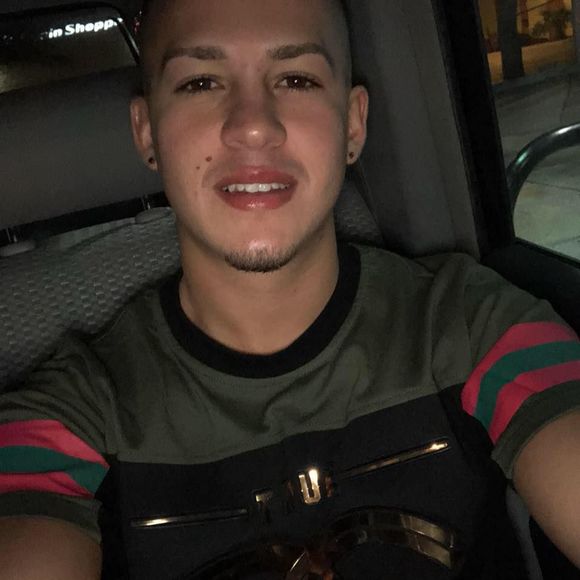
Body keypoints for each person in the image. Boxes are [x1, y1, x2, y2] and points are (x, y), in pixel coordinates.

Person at [1, 0, 579, 578]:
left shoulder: (474, 325)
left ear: (352, 124)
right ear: (147, 130)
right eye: (201, 82)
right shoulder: (68, 419)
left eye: (296, 79)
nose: (253, 125)